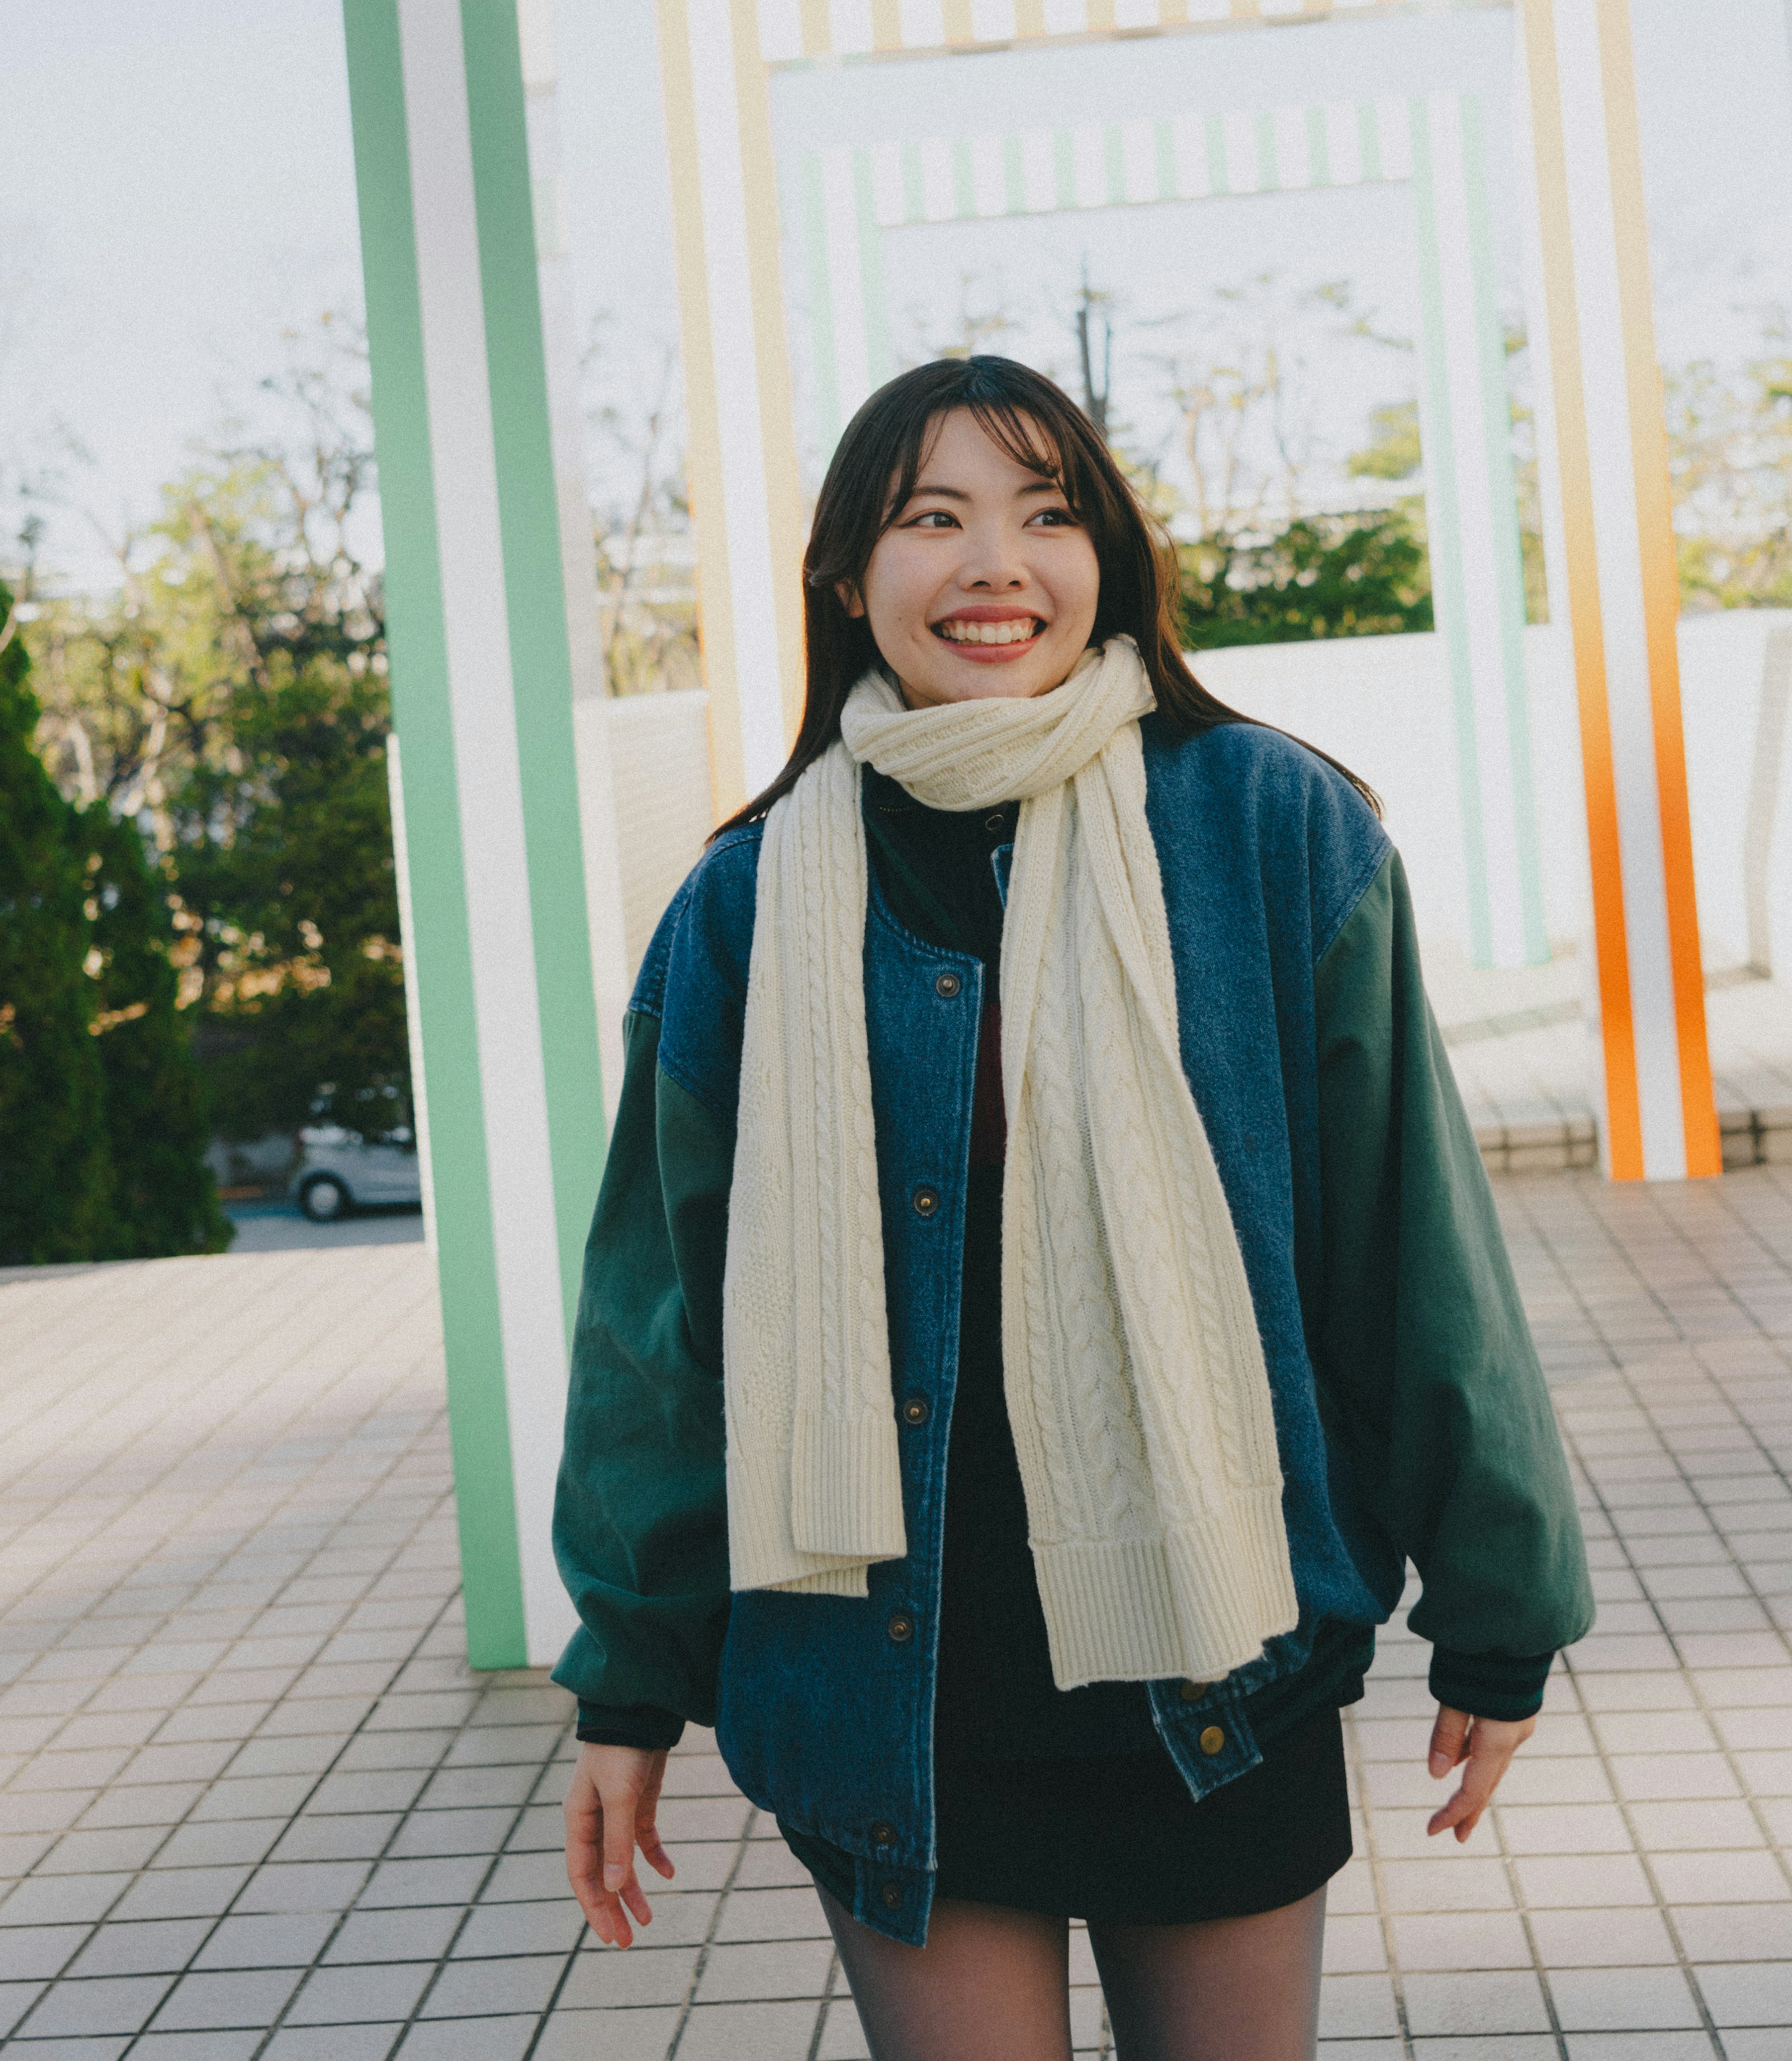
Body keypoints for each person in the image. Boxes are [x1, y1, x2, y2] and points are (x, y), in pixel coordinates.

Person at [552, 356, 1592, 2061]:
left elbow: (1412, 1252)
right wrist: (630, 1678)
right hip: (895, 1681)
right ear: (845, 577)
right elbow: (660, 1328)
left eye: (1047, 514)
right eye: (932, 519)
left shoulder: (1270, 828)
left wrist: (1500, 1605)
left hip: (1215, 1655)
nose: (996, 565)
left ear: (1108, 553)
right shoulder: (747, 905)